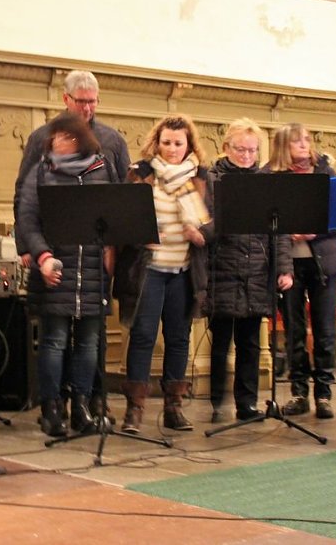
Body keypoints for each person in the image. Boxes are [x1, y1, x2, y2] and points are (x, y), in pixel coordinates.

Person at [12, 69, 131, 419]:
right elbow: (26, 205)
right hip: (56, 261)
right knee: (54, 340)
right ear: (66, 101)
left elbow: (120, 203)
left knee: (90, 341)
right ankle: (52, 407)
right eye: (82, 102)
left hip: (92, 265)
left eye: (93, 102)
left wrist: (114, 249)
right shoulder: (40, 151)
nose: (88, 108)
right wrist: (32, 250)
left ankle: (85, 404)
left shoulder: (107, 153)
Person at [115, 114, 209, 433]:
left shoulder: (200, 177)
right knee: (143, 335)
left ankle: (173, 407)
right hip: (149, 269)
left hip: (183, 269)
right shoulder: (140, 174)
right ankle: (135, 409)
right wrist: (143, 233)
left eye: (178, 143)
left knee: (179, 337)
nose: (172, 149)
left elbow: (215, 223)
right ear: (157, 142)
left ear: (188, 145)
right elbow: (122, 219)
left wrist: (202, 235)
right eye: (166, 142)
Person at [202, 118, 293, 423]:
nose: (246, 156)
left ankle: (247, 404)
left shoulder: (266, 183)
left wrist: (284, 269)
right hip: (222, 270)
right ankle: (216, 401)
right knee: (222, 341)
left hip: (257, 272)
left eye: (252, 151)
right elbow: (205, 225)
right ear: (226, 147)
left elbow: (278, 233)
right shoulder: (213, 180)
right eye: (241, 149)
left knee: (250, 344)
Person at [263, 123, 336, 419]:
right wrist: (286, 232)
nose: (304, 145)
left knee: (325, 331)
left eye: (307, 139)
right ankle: (299, 392)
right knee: (294, 330)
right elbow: (263, 219)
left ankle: (324, 394)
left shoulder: (324, 171)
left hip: (322, 260)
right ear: (283, 146)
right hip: (288, 264)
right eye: (296, 140)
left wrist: (315, 231)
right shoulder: (270, 176)